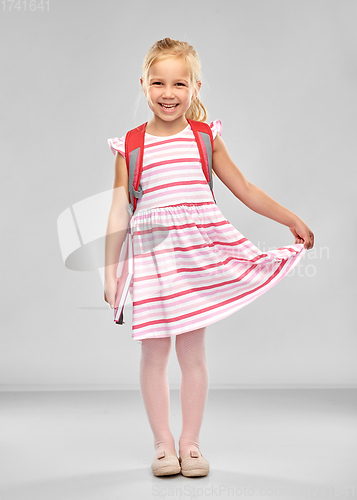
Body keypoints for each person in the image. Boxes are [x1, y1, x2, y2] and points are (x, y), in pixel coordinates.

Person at [104, 38, 314, 477]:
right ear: (142, 84)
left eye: (180, 83)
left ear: (196, 86)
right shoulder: (131, 145)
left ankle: (191, 444)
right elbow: (117, 213)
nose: (168, 92)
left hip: (196, 262)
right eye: (158, 82)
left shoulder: (204, 137)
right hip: (154, 264)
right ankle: (163, 446)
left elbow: (246, 189)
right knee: (154, 353)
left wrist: (289, 218)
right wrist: (110, 273)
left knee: (193, 352)